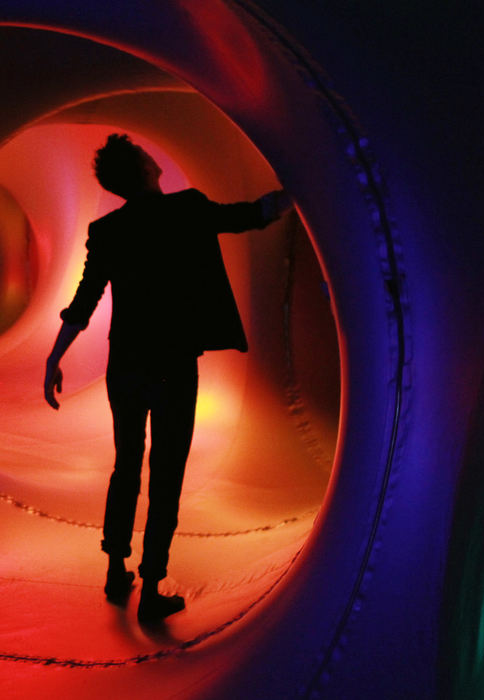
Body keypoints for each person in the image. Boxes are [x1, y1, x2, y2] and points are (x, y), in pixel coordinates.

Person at [43, 134, 291, 623]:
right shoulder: (189, 209)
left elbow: (84, 303)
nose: (153, 157)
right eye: (145, 154)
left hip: (126, 363)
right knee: (168, 471)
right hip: (174, 362)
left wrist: (54, 358)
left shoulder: (106, 231)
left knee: (127, 464)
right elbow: (252, 215)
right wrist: (300, 190)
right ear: (144, 168)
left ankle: (117, 569)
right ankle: (153, 587)